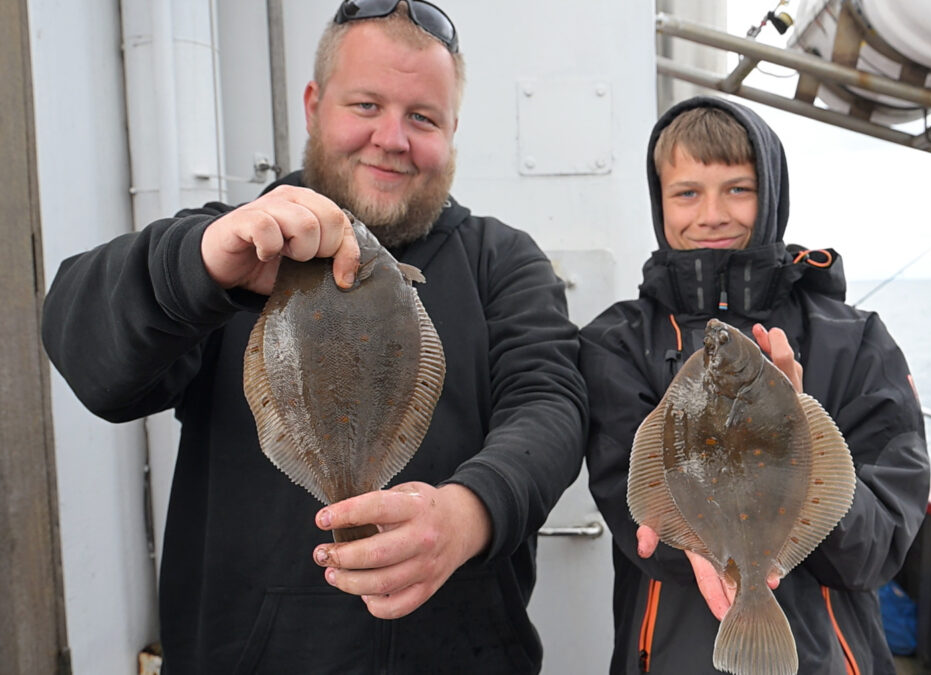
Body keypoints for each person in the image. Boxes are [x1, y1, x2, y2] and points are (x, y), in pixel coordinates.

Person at [41, 2, 587, 673]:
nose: (392, 137)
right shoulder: (233, 248)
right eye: (365, 105)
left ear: (452, 132)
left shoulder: (501, 260)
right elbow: (86, 352)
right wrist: (198, 265)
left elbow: (552, 402)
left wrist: (467, 512)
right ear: (313, 105)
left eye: (423, 117)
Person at [580, 96, 930, 674]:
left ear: (771, 196)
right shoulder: (615, 342)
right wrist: (705, 541)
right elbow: (634, 511)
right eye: (687, 192)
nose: (712, 213)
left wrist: (799, 434)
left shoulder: (857, 340)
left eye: (738, 189)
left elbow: (879, 544)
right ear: (659, 202)